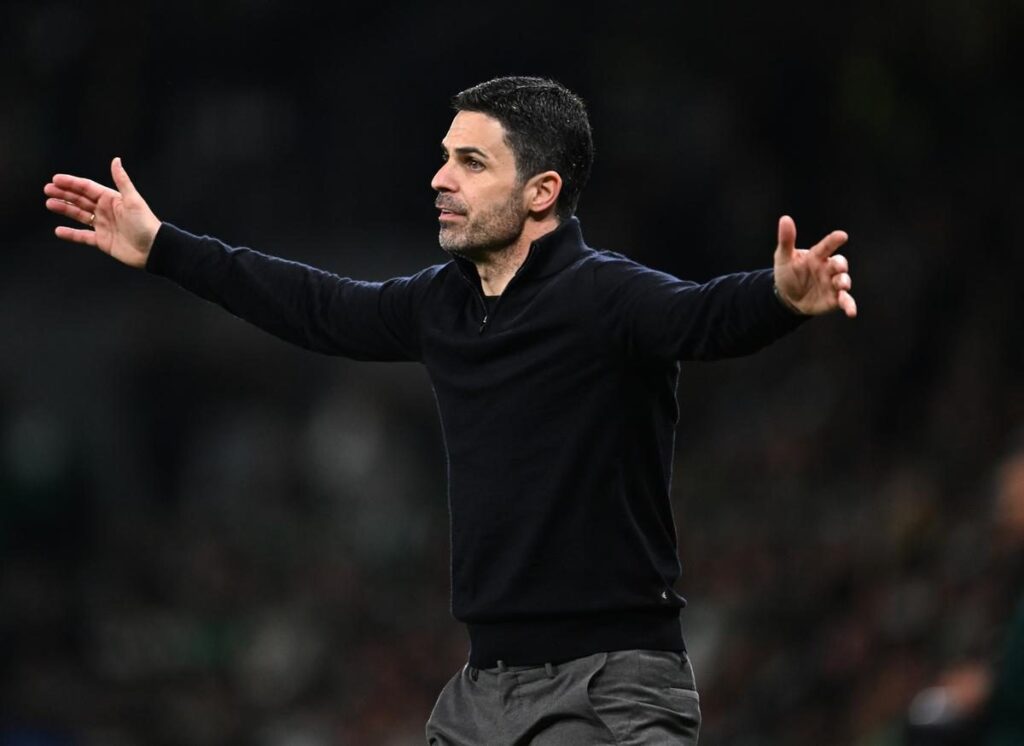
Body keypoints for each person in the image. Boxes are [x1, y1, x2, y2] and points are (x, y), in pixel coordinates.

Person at [44, 76, 856, 745]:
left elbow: (705, 316)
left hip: (609, 690)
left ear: (542, 192)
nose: (440, 179)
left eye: (471, 162)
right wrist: (163, 247)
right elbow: (317, 306)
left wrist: (781, 296)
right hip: (483, 693)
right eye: (444, 159)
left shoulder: (607, 296)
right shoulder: (442, 306)